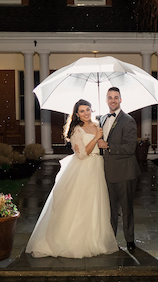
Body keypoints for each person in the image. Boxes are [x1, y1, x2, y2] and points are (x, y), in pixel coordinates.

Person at [25, 99, 119, 258]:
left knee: (96, 203)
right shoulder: (76, 130)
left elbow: (100, 146)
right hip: (84, 168)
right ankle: (73, 240)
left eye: (88, 109)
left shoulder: (97, 126)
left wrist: (102, 140)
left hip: (97, 166)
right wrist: (96, 138)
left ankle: (95, 238)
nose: (86, 113)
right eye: (82, 111)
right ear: (76, 114)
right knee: (81, 203)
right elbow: (82, 154)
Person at [97, 87, 140, 251]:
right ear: (106, 100)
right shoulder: (102, 119)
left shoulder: (128, 120)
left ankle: (130, 240)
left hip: (125, 172)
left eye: (116, 97)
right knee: (110, 210)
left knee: (126, 208)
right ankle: (111, 239)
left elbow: (130, 148)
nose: (113, 100)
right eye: (110, 97)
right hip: (106, 172)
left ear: (120, 100)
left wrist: (108, 145)